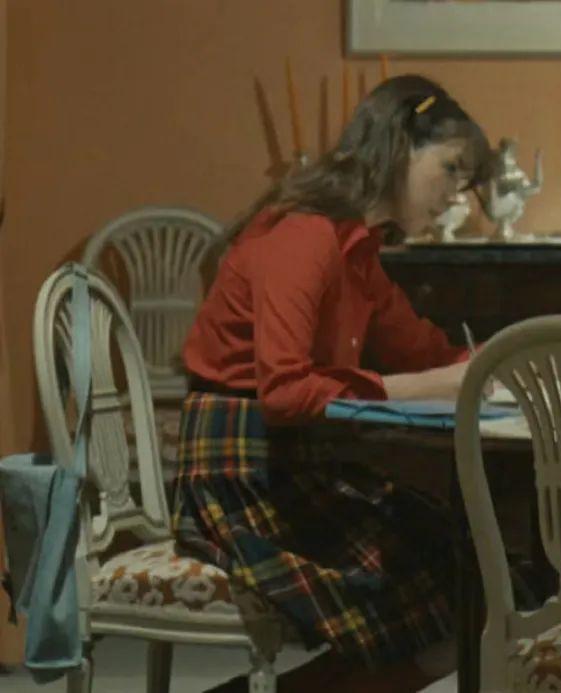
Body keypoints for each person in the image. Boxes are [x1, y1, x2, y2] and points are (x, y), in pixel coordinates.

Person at [173, 74, 493, 692]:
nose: (456, 194)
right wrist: (428, 385)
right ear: (399, 147)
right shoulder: (305, 235)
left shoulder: (357, 252)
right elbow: (286, 392)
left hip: (296, 464)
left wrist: (509, 364)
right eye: (450, 168)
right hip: (241, 474)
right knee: (446, 576)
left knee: (474, 568)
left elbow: (432, 351)